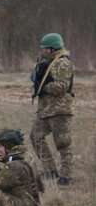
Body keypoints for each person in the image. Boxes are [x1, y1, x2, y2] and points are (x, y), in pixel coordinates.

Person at [30, 33, 75, 186]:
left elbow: (62, 87)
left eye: (44, 48)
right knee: (35, 137)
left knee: (63, 143)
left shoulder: (63, 63)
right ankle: (50, 171)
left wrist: (44, 86)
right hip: (45, 110)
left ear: (52, 49)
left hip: (60, 111)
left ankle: (66, 177)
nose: (42, 51)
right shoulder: (47, 62)